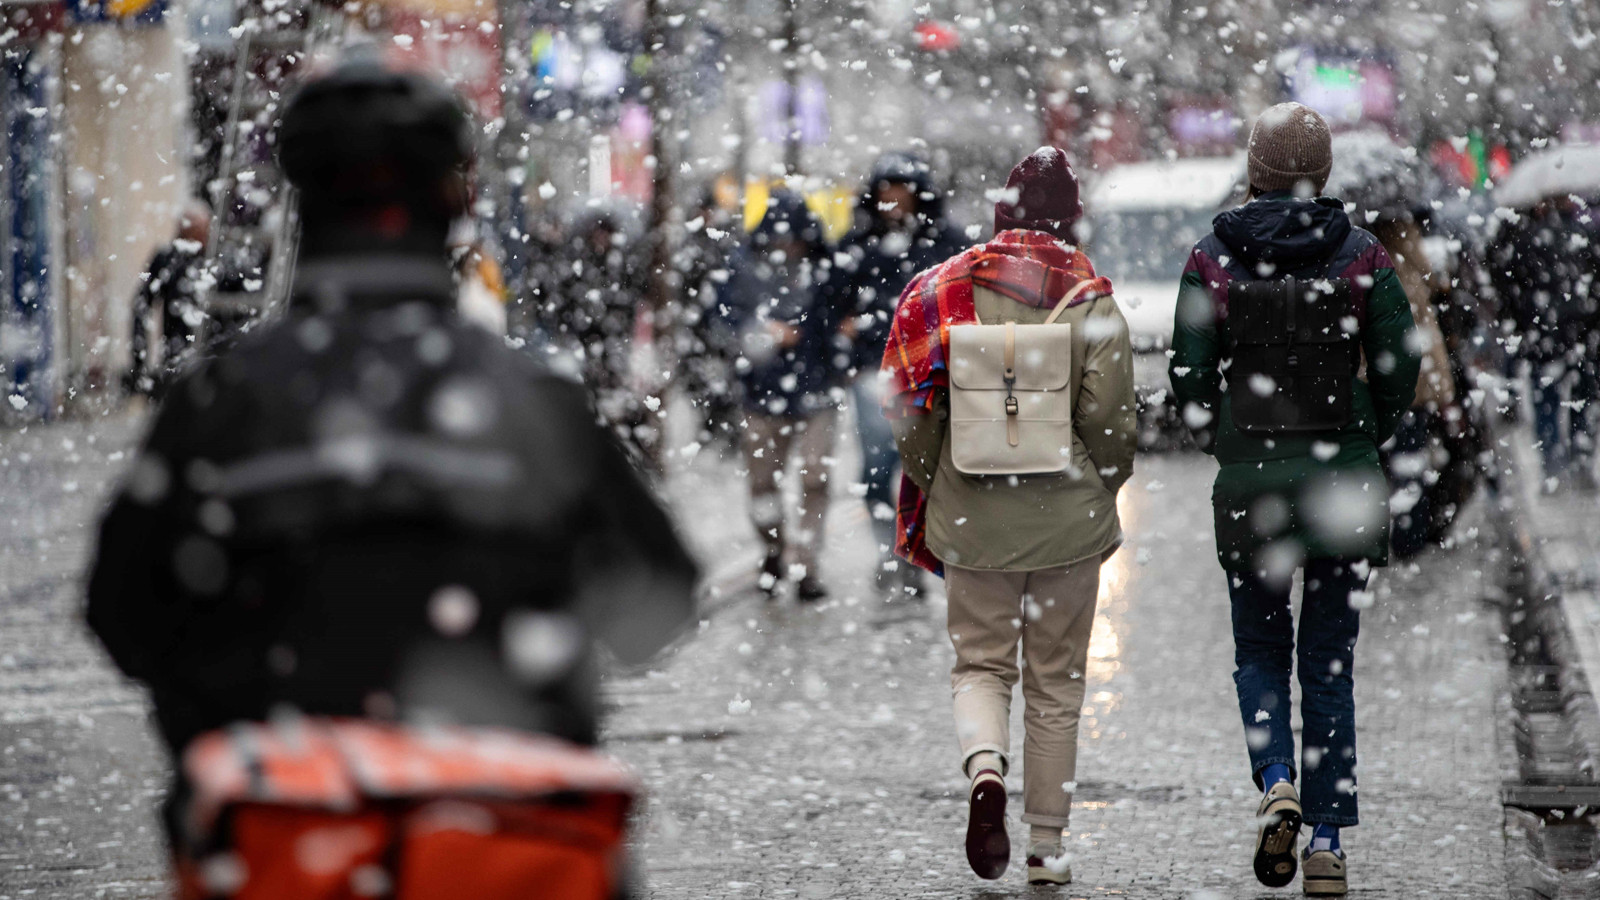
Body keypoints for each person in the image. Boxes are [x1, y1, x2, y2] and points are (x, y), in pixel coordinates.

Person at [86, 51, 698, 838]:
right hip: (497, 841)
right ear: (454, 200)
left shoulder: (220, 403)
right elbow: (658, 602)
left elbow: (124, 611)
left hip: (285, 839)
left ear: (301, 204)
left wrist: (241, 689)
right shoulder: (530, 405)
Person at [1168, 103, 1419, 895]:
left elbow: (1187, 377)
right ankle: (1327, 840)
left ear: (1254, 169)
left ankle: (1276, 776)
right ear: (1326, 169)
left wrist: (1232, 445)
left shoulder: (1213, 258)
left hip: (1251, 491)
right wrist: (1364, 433)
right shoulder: (1364, 257)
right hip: (1341, 486)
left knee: (1259, 652)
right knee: (1330, 663)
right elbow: (1397, 367)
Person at [881, 147, 1136, 886]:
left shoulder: (940, 289)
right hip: (1067, 523)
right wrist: (1094, 485)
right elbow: (1113, 424)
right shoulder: (1089, 296)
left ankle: (985, 770)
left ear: (1003, 211)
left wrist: (947, 480)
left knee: (981, 666)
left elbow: (909, 410)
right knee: (1056, 683)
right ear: (1072, 217)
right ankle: (1047, 846)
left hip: (972, 517)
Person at [830, 152, 968, 597]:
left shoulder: (945, 243)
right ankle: (892, 552)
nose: (893, 201)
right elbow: (830, 303)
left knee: (926, 469)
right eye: (885, 192)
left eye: (901, 191)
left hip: (930, 373)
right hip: (875, 375)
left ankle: (913, 549)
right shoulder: (858, 245)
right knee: (877, 469)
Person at [721, 189, 840, 601]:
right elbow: (723, 319)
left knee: (815, 479)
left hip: (816, 391)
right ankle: (772, 552)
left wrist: (808, 337)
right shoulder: (742, 267)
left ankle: (806, 565)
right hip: (761, 393)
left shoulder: (824, 266)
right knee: (762, 484)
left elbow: (837, 317)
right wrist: (759, 333)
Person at [1489, 196, 1600, 490]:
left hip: (1545, 334)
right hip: (1582, 333)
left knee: (1547, 402)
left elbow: (1509, 283)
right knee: (1583, 399)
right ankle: (1581, 461)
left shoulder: (1526, 238)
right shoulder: (1584, 234)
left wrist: (1521, 321)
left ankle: (1553, 467)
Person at [127, 200, 213, 397]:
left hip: (214, 360)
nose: (202, 238)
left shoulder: (218, 261)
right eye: (196, 231)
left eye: (204, 231)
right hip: (177, 360)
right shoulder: (167, 260)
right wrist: (139, 364)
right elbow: (140, 305)